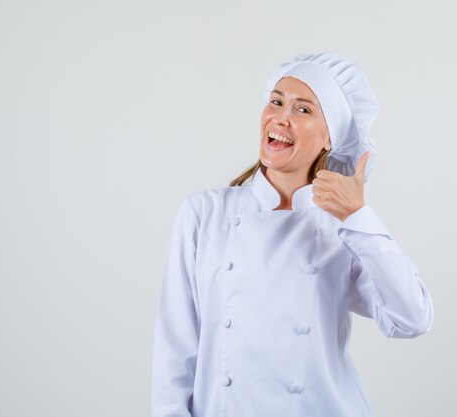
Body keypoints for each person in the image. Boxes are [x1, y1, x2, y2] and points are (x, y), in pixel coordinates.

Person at [151, 52, 434, 417]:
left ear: (330, 137)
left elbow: (412, 319)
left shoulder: (344, 226)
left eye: (303, 110)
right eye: (276, 101)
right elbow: (175, 351)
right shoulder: (204, 214)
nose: (281, 117)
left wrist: (359, 217)